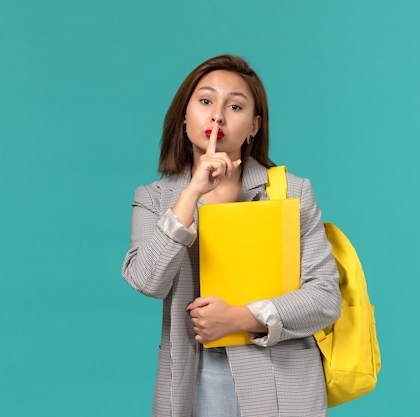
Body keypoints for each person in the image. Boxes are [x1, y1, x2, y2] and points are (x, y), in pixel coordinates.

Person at [122, 54, 341, 417]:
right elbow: (147, 281)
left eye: (235, 106)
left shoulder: (291, 193)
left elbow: (324, 298)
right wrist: (190, 194)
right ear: (183, 118)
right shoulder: (153, 198)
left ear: (254, 126)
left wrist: (241, 318)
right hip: (191, 382)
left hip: (281, 382)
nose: (218, 116)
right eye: (206, 101)